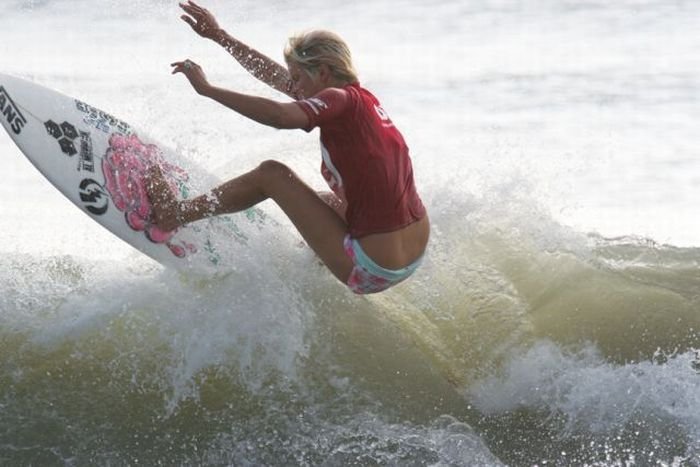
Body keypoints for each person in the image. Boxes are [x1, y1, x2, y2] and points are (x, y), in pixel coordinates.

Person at [147, 0, 429, 294]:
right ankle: (316, 266)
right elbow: (278, 79)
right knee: (323, 201)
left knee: (272, 175)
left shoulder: (339, 100)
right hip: (412, 254)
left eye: (298, 78)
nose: (293, 87)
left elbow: (279, 116)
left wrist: (208, 90)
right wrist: (221, 37)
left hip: (370, 269)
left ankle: (174, 214)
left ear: (322, 73)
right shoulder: (361, 103)